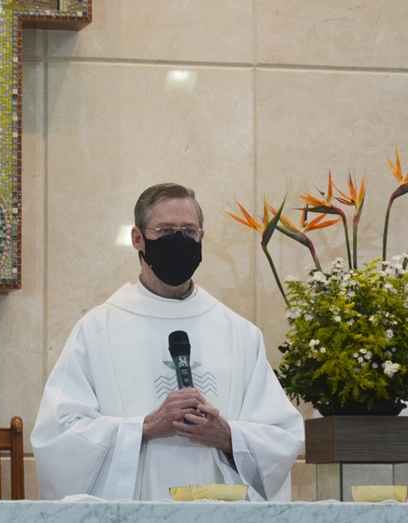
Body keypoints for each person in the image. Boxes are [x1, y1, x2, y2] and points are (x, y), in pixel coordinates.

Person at [31, 183, 304, 501]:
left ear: (202, 237)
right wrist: (143, 428)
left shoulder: (239, 333)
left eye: (188, 231)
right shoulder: (96, 330)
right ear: (137, 238)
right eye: (165, 231)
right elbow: (58, 436)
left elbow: (281, 435)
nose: (179, 240)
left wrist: (228, 436)